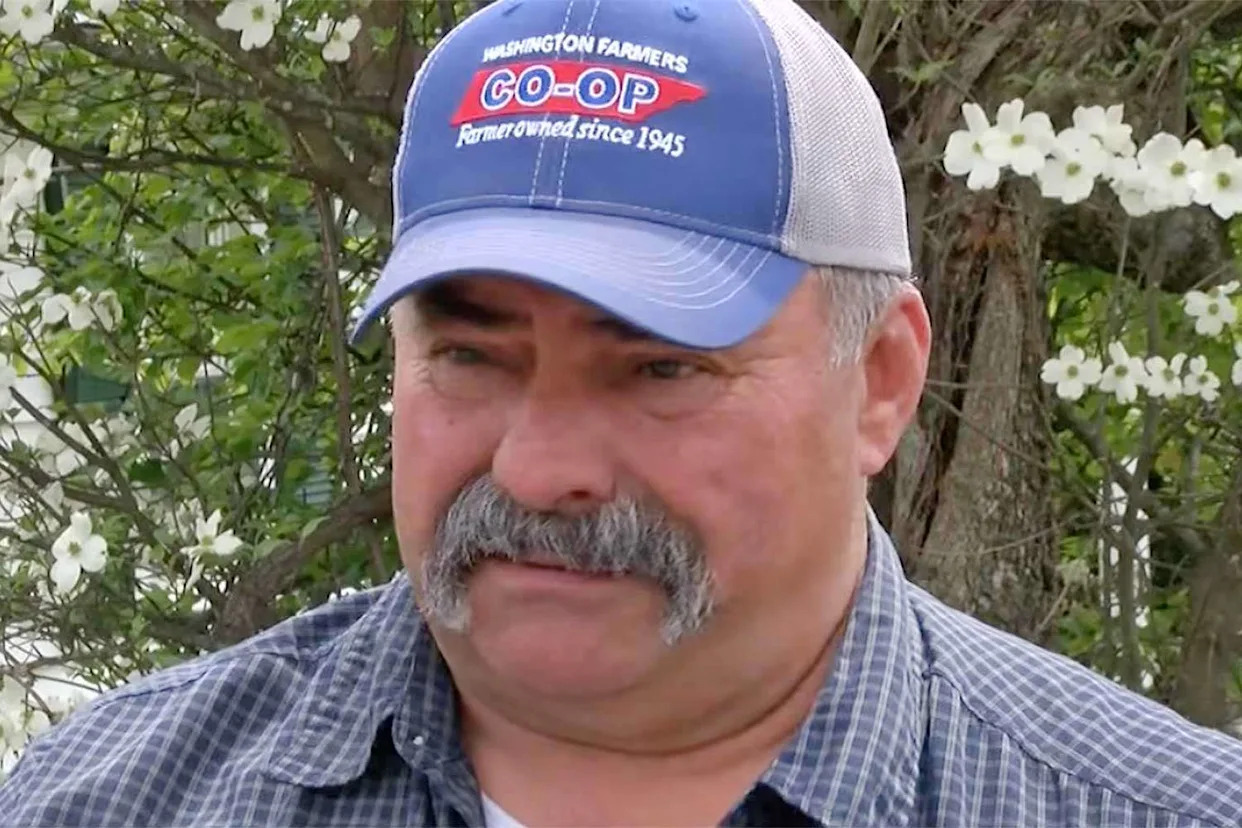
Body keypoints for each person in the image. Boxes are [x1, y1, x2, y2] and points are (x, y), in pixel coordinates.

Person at [4, 0, 1242, 825]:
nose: (538, 470)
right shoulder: (108, 800)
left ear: (880, 383)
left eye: (660, 369)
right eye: (470, 356)